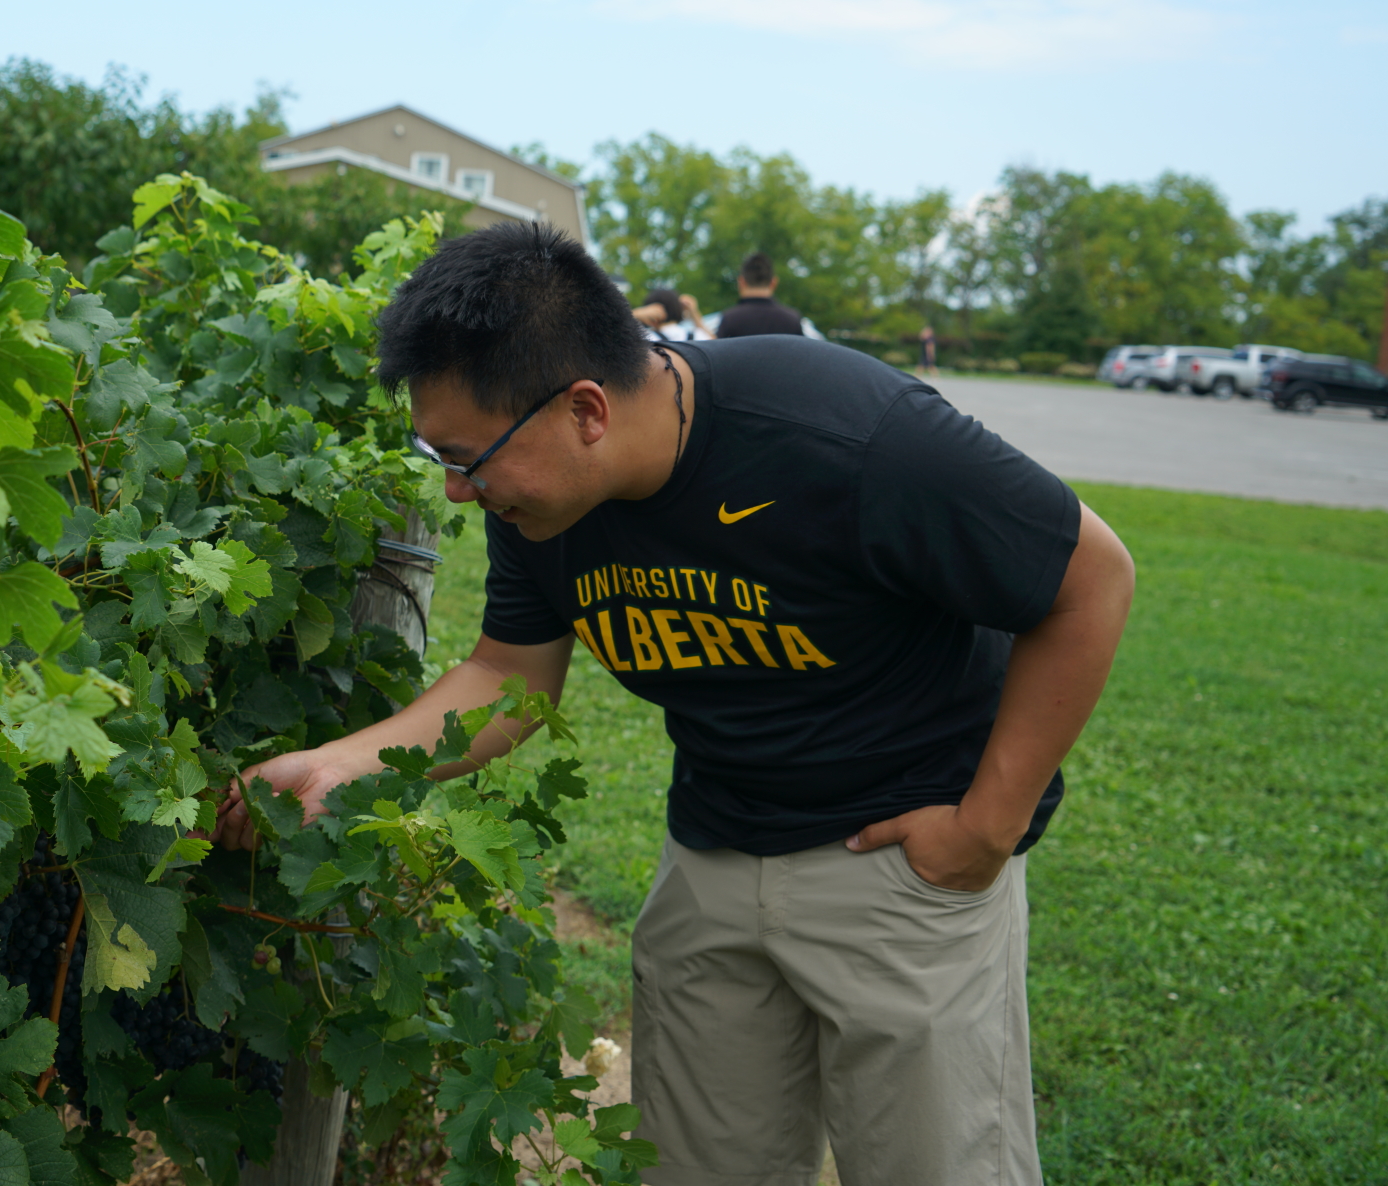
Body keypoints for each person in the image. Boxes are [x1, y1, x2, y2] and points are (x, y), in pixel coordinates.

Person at [214, 223, 1136, 1185]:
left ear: (585, 409)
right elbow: (511, 676)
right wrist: (336, 767)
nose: (454, 489)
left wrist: (989, 823)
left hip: (902, 868)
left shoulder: (851, 432)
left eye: (466, 457)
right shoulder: (538, 496)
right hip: (713, 857)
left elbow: (1091, 579)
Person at [714, 251, 806, 339]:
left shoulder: (730, 319)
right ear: (773, 282)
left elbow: (715, 351)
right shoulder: (792, 319)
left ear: (741, 282)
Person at [632, 286, 710, 342]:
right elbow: (715, 343)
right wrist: (694, 312)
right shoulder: (696, 336)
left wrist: (635, 314)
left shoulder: (645, 338)